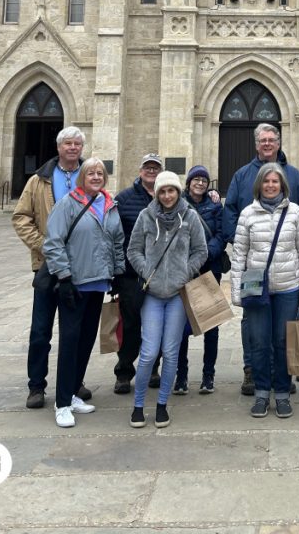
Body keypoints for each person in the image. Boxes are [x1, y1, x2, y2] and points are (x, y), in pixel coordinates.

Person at [222, 123, 299, 395]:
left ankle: (281, 374)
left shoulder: (294, 176)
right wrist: (240, 243)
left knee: (283, 327)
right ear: (256, 143)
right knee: (253, 323)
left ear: (279, 142)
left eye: (272, 139)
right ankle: (252, 371)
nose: (267, 144)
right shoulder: (241, 176)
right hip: (254, 268)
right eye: (262, 140)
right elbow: (230, 214)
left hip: (285, 269)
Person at [12, 125, 92, 410]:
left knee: (76, 331)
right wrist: (45, 246)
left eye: (77, 144)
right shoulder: (39, 180)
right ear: (59, 148)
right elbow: (21, 217)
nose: (72, 148)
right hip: (47, 267)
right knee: (41, 329)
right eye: (67, 143)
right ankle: (36, 386)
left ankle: (73, 382)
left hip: (80, 269)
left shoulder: (90, 177)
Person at [43, 157, 125, 429]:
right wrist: (64, 277)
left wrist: (117, 273)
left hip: (99, 283)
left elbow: (116, 242)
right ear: (82, 177)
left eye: (100, 173)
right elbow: (53, 242)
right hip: (75, 284)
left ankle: (75, 391)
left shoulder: (109, 204)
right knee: (70, 341)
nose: (95, 177)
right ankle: (62, 402)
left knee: (86, 340)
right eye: (90, 173)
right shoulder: (68, 203)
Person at [126, 171, 207, 429]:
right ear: (157, 193)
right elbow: (133, 249)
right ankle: (138, 405)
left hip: (176, 295)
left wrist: (185, 273)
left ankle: (162, 405)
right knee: (149, 353)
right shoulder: (146, 216)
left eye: (171, 190)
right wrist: (147, 270)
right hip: (152, 294)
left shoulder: (190, 217)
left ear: (178, 191)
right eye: (163, 191)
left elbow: (201, 251)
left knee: (171, 352)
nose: (167, 195)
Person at [112, 152, 163, 394]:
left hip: (160, 274)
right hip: (131, 274)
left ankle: (153, 368)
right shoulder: (124, 198)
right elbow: (114, 236)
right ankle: (124, 372)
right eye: (147, 167)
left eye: (155, 168)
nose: (151, 171)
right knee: (130, 325)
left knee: (157, 324)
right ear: (140, 170)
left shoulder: (169, 196)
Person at [174, 164, 226, 394]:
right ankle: (181, 376)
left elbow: (222, 233)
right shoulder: (177, 204)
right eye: (196, 179)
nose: (200, 183)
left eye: (204, 180)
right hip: (184, 271)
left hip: (208, 269)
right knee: (180, 327)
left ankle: (208, 376)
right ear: (188, 182)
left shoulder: (214, 205)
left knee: (211, 324)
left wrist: (206, 253)